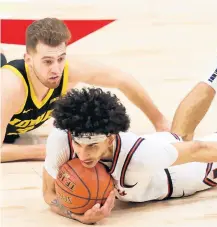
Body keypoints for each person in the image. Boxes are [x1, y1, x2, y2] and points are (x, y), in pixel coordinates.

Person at [43, 38, 217, 225]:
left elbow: (196, 150)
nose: (82, 155)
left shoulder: (140, 159)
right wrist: (77, 216)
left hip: (178, 175)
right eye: (78, 145)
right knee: (180, 135)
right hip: (155, 144)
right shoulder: (62, 138)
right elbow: (48, 193)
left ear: (109, 139)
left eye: (92, 147)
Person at [0, 18, 169, 163]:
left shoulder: (69, 71)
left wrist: (160, 121)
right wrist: (49, 151)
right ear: (28, 59)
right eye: (47, 61)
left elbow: (123, 80)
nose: (56, 69)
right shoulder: (9, 88)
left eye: (60, 58)